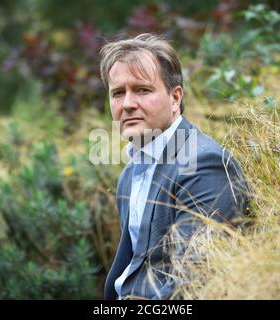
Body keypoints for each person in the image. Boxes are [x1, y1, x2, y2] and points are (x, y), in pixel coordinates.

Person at [99, 33, 251, 300]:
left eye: (143, 90)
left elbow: (196, 277)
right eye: (118, 93)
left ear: (175, 97)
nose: (127, 104)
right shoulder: (129, 175)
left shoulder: (203, 164)